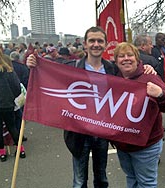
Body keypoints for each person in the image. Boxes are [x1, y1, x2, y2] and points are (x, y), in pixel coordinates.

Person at [26, 26, 156, 188]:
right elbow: (47, 70)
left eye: (100, 41)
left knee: (101, 179)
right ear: (85, 45)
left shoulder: (112, 69)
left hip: (102, 132)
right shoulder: (71, 66)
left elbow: (131, 70)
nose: (96, 44)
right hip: (78, 133)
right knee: (79, 181)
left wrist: (145, 67)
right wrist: (32, 63)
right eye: (92, 41)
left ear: (105, 44)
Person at [112, 42, 165, 188]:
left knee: (147, 183)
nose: (126, 59)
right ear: (116, 61)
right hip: (123, 145)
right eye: (121, 56)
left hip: (146, 145)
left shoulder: (150, 77)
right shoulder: (113, 79)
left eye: (130, 55)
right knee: (131, 178)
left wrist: (160, 94)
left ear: (137, 59)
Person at [0, 47, 26, 162]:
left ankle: (2, 153)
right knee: (12, 127)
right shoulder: (8, 71)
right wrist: (12, 97)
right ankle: (20, 149)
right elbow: (17, 87)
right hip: (7, 104)